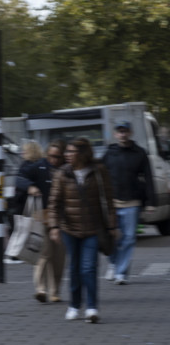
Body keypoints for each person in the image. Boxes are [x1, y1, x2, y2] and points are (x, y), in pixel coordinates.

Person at [48, 137, 117, 324]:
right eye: (67, 152)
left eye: (71, 152)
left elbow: (109, 201)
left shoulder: (99, 171)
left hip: (94, 228)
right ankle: (74, 305)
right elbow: (54, 203)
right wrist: (54, 227)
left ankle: (92, 307)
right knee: (75, 268)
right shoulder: (62, 173)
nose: (67, 155)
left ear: (83, 153)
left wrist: (112, 225)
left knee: (88, 268)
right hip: (69, 229)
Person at [104, 120, 154, 284]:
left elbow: (148, 177)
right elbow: (100, 174)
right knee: (111, 237)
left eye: (125, 131)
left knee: (129, 238)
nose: (122, 134)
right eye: (119, 131)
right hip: (112, 202)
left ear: (130, 133)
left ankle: (121, 273)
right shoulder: (110, 153)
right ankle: (113, 263)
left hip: (132, 201)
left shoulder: (139, 153)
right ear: (115, 134)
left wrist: (151, 201)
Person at [18, 141, 63, 302]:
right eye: (51, 156)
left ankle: (55, 291)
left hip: (60, 218)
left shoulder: (66, 169)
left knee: (58, 257)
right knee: (44, 253)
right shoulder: (38, 167)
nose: (54, 160)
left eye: (58, 157)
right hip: (42, 217)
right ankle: (41, 288)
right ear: (46, 154)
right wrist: (30, 187)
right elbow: (20, 178)